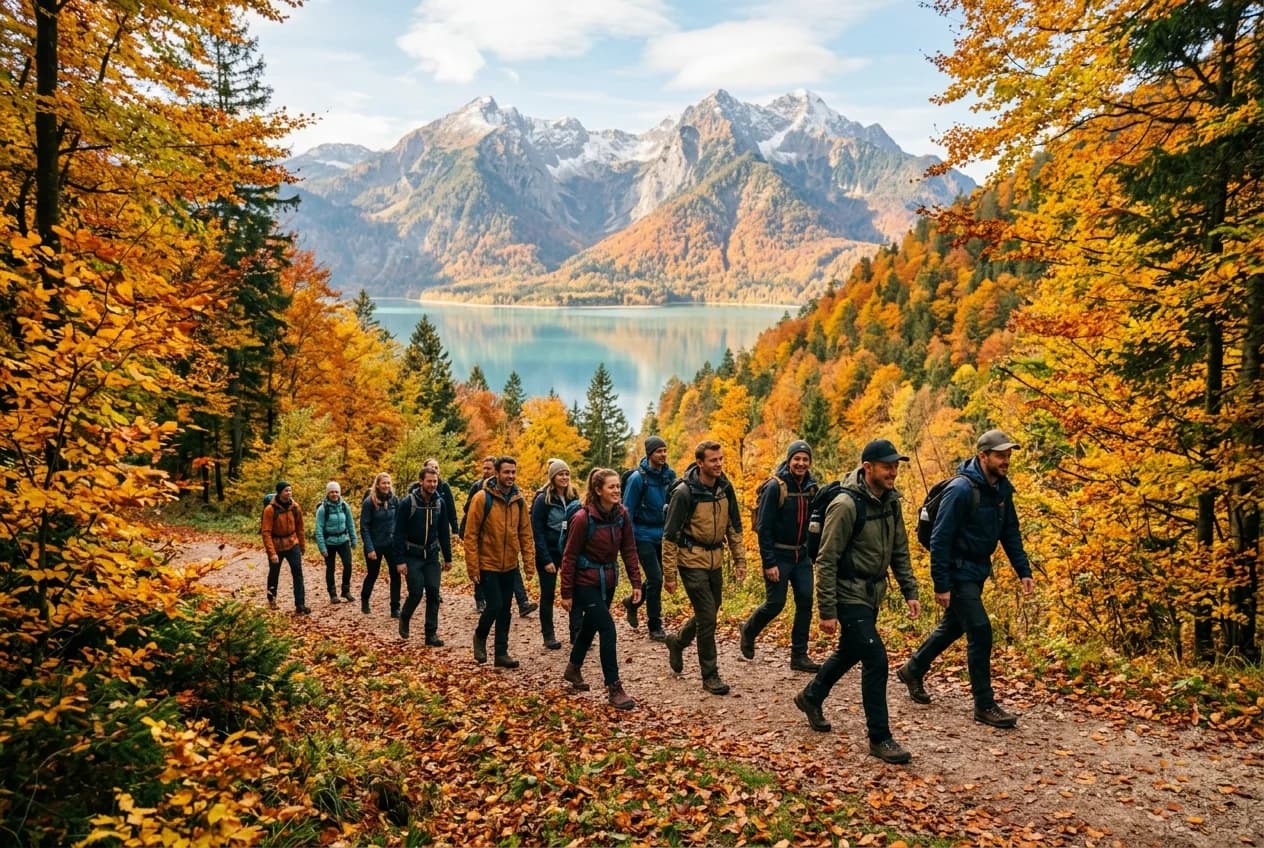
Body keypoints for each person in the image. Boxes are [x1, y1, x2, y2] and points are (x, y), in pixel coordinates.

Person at [793, 439, 921, 765]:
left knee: (851, 650)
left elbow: (899, 550)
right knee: (875, 658)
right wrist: (827, 611)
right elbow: (826, 559)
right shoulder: (846, 506)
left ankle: (811, 696)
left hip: (873, 592)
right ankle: (880, 737)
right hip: (848, 592)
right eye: (887, 466)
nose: (893, 471)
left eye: (896, 466)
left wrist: (910, 590)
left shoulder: (891, 502)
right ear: (868, 468)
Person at [897, 429, 1035, 729]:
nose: (1006, 460)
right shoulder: (961, 489)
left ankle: (913, 668)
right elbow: (940, 537)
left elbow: (1010, 532)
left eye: (1008, 455)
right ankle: (984, 705)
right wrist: (941, 583)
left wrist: (1023, 570)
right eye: (1000, 455)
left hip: (976, 570)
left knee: (953, 626)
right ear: (982, 456)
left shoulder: (1001, 490)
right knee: (980, 630)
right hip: (957, 571)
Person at [661, 440, 747, 695]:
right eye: (713, 460)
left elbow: (734, 526)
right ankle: (710, 675)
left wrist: (740, 560)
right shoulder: (684, 493)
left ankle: (677, 642)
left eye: (720, 459)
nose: (719, 464)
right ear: (700, 463)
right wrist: (669, 575)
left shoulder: (724, 487)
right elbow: (670, 536)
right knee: (708, 616)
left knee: (710, 610)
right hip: (691, 560)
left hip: (716, 560)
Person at [559, 468, 643, 709]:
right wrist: (566, 592)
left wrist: (636, 582)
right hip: (585, 582)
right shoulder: (582, 518)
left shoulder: (621, 515)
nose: (617, 490)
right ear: (598, 490)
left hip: (609, 579)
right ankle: (614, 687)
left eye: (618, 486)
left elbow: (629, 550)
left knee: (590, 626)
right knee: (607, 628)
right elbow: (569, 556)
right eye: (611, 487)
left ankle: (573, 668)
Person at [740, 439, 821, 672]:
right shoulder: (776, 487)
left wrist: (813, 553)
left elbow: (815, 523)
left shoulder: (811, 488)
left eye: (805, 460)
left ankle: (799, 656)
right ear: (789, 460)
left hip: (801, 556)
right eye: (797, 459)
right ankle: (749, 630)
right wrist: (769, 562)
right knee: (776, 603)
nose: (801, 463)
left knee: (805, 601)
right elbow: (764, 527)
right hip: (779, 554)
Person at [464, 456, 535, 668]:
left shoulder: (518, 500)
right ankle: (480, 636)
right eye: (506, 472)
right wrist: (472, 566)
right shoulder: (481, 498)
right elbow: (471, 534)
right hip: (488, 563)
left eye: (513, 472)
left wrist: (529, 563)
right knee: (494, 605)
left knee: (506, 609)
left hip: (510, 565)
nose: (510, 476)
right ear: (497, 473)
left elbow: (525, 532)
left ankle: (501, 653)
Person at [620, 435, 676, 641]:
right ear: (650, 454)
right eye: (659, 451)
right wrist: (629, 540)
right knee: (655, 578)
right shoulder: (637, 479)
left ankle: (632, 603)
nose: (663, 454)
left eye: (665, 450)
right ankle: (655, 625)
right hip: (641, 535)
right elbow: (627, 511)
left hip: (663, 535)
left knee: (657, 577)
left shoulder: (669, 476)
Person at [393, 466, 455, 644]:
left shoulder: (439, 503)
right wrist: (400, 561)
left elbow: (444, 531)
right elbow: (398, 533)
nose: (432, 485)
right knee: (416, 592)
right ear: (421, 481)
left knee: (434, 593)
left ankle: (431, 634)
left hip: (432, 555)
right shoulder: (408, 503)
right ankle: (405, 617)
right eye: (429, 481)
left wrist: (448, 557)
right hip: (412, 555)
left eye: (435, 481)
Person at [530, 458, 582, 649]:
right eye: (560, 474)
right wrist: (545, 559)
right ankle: (548, 635)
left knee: (574, 591)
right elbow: (538, 531)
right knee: (548, 594)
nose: (564, 477)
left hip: (569, 551)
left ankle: (577, 633)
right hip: (549, 552)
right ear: (553, 477)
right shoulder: (542, 500)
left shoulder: (573, 495)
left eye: (567, 473)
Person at [261, 481, 309, 614]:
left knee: (298, 573)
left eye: (290, 490)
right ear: (279, 493)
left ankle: (300, 604)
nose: (289, 493)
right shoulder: (270, 510)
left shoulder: (295, 507)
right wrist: (272, 553)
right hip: (276, 545)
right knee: (274, 573)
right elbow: (266, 532)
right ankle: (272, 599)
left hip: (292, 543)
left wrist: (302, 546)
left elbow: (300, 528)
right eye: (286, 490)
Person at [360, 472, 402, 616]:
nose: (386, 486)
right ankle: (364, 599)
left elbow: (398, 521)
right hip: (375, 545)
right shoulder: (369, 502)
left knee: (396, 574)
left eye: (388, 483)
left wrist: (399, 542)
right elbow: (364, 527)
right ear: (377, 485)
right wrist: (370, 548)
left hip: (391, 544)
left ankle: (395, 607)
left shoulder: (394, 500)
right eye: (383, 483)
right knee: (373, 574)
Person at [315, 481, 357, 604]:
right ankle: (332, 594)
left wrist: (353, 539)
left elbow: (350, 524)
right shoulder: (323, 509)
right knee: (330, 568)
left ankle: (345, 590)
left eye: (336, 491)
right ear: (327, 493)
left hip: (343, 540)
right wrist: (322, 547)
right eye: (332, 492)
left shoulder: (344, 506)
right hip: (329, 542)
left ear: (339, 492)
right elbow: (318, 529)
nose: (334, 494)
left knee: (348, 564)